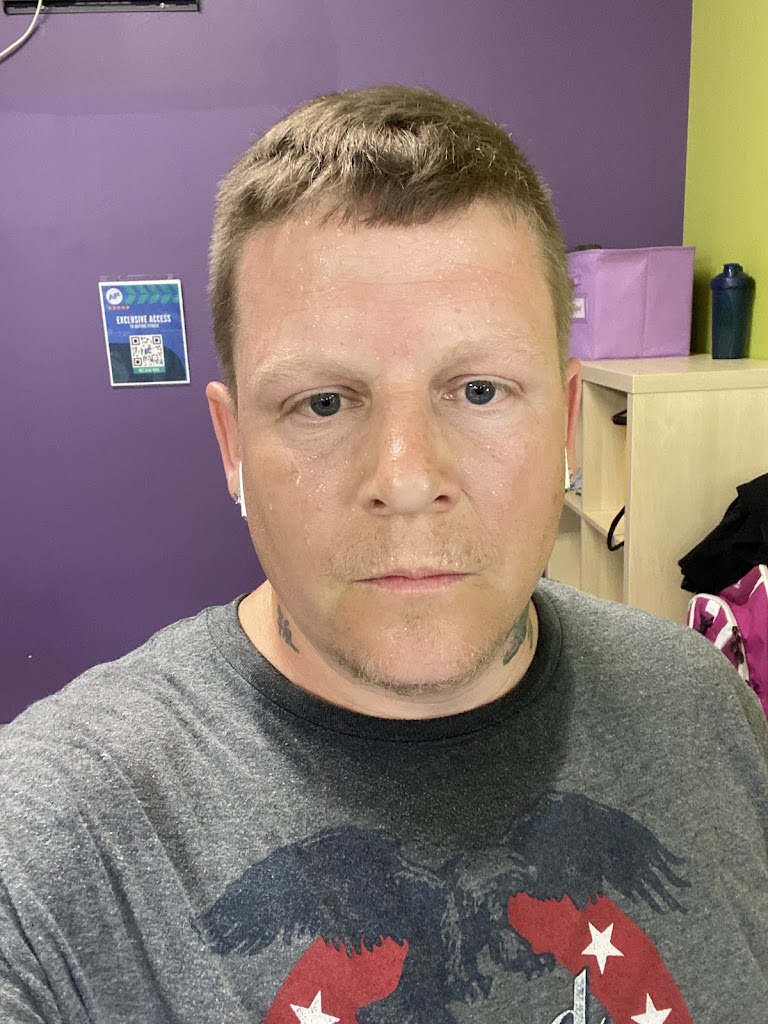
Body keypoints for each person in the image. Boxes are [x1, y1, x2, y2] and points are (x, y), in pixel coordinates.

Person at [1, 86, 767, 1024]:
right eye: (323, 403)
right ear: (232, 446)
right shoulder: (50, 843)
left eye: (479, 391)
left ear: (567, 424)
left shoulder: (708, 709)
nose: (406, 479)